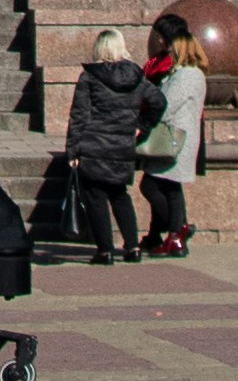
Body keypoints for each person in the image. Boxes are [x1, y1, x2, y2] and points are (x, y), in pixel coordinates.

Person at [59, 26, 155, 261]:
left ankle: (105, 250)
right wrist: (141, 126)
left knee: (96, 196)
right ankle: (133, 247)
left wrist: (72, 150)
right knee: (120, 194)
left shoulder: (90, 77)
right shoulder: (136, 76)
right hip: (123, 145)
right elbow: (159, 101)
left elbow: (79, 116)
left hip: (94, 144)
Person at [142, 20, 206, 258]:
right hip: (179, 137)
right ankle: (175, 237)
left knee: (150, 185)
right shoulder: (187, 73)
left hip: (175, 138)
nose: (165, 49)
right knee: (171, 188)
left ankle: (178, 230)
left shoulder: (186, 75)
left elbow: (166, 107)